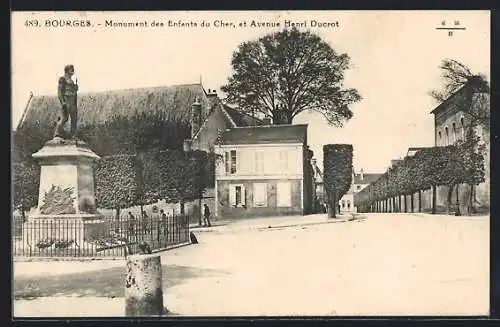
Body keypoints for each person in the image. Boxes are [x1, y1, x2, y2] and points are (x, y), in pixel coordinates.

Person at [55, 64, 79, 139]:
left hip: (72, 101)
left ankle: (73, 134)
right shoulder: (63, 79)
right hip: (67, 100)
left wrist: (75, 88)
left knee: (74, 118)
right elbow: (59, 92)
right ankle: (57, 133)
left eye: (73, 69)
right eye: (71, 69)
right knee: (65, 118)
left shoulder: (72, 81)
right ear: (67, 70)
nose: (73, 71)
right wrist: (62, 102)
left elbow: (73, 92)